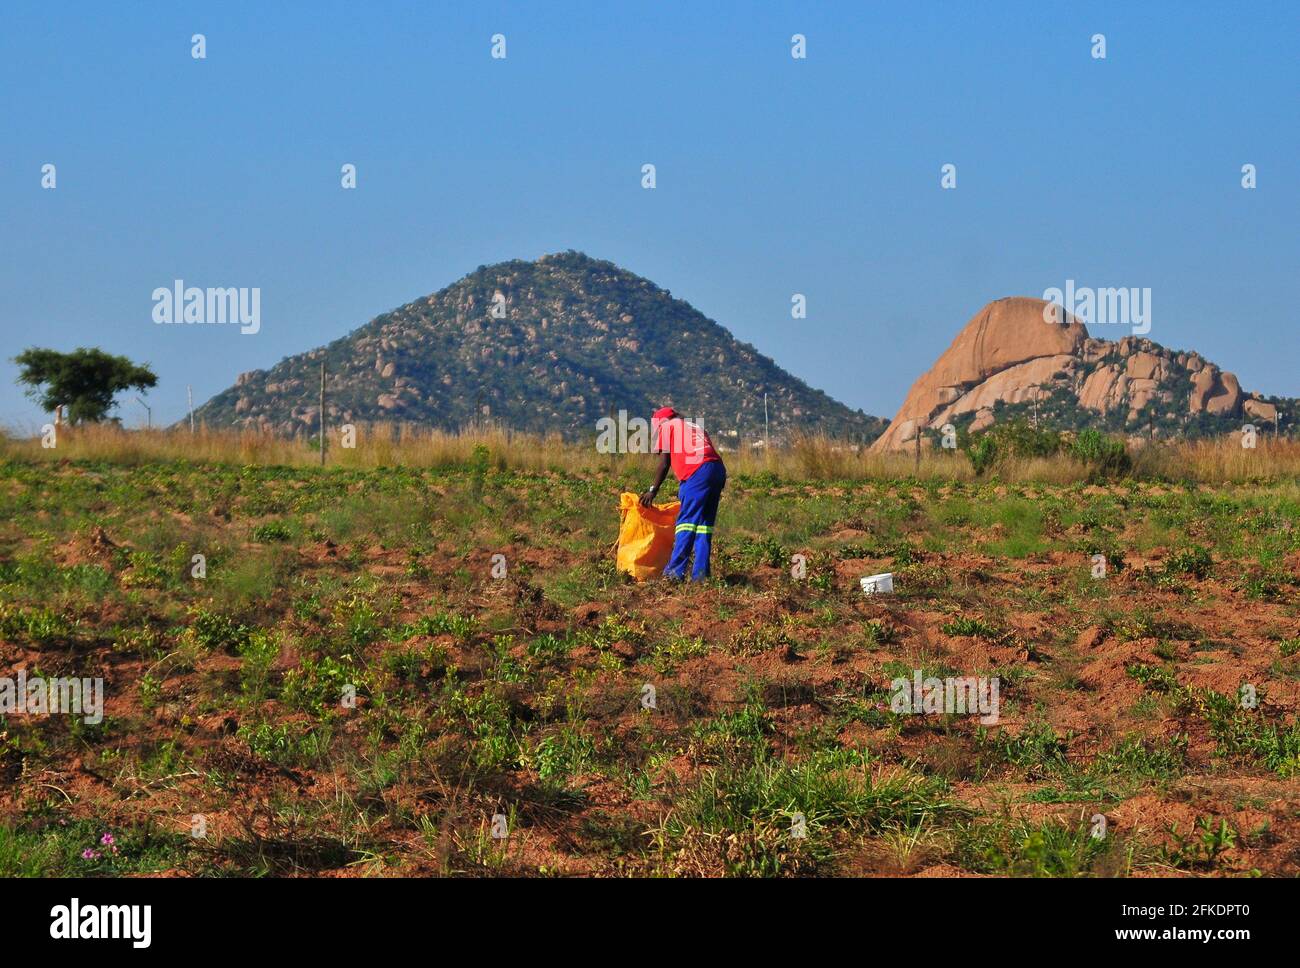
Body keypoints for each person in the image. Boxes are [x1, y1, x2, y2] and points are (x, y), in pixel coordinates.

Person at [640, 406, 727, 581]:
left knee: (686, 524)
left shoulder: (667, 426)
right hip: (717, 470)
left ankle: (674, 574)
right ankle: (701, 576)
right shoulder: (694, 426)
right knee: (704, 525)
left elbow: (664, 463)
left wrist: (652, 490)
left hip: (697, 473)